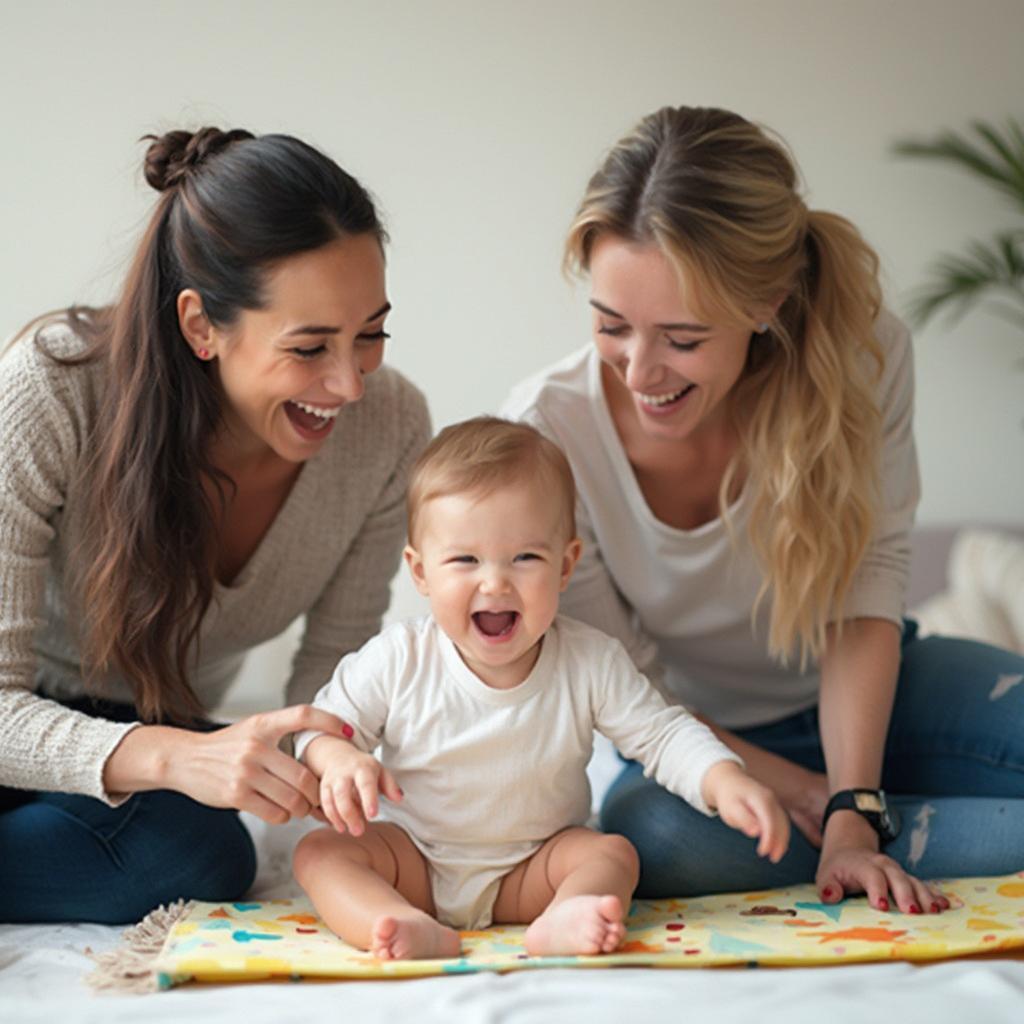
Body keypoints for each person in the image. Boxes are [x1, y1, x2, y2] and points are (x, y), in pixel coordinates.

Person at [502, 105, 1024, 915]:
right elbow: (627, 687)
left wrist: (852, 797)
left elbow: (869, 589)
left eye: (681, 337)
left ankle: (874, 828)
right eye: (611, 326)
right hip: (696, 743)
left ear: (767, 302)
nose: (640, 372)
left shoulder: (866, 359)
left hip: (873, 689)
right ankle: (893, 834)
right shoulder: (547, 434)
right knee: (651, 839)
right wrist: (821, 799)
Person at [0, 127, 431, 924]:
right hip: (24, 718)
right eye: (309, 348)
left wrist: (331, 752)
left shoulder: (391, 426)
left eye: (370, 334)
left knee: (198, 851)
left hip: (150, 730)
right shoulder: (52, 392)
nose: (349, 384)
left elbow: (330, 675)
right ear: (201, 326)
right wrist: (177, 755)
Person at [291, 417, 789, 960]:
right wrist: (338, 758)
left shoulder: (590, 660)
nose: (495, 582)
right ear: (420, 572)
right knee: (320, 852)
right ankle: (393, 920)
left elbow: (663, 734)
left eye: (525, 557)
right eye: (465, 559)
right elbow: (318, 726)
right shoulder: (398, 658)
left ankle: (564, 918)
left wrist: (721, 779)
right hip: (413, 861)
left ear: (566, 565)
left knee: (613, 854)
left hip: (533, 868)